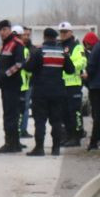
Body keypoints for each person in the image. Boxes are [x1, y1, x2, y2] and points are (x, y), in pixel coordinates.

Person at [22, 27, 73, 156]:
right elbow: (70, 70)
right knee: (56, 121)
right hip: (58, 92)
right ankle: (56, 149)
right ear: (55, 38)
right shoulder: (62, 52)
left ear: (44, 37)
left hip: (41, 92)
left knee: (40, 121)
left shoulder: (38, 51)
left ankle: (39, 148)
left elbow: (27, 67)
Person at [0, 20, 26, 153]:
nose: (2, 32)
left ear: (10, 30)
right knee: (9, 114)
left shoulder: (16, 44)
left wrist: (4, 75)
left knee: (11, 115)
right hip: (6, 85)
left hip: (12, 85)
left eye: (5, 29)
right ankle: (14, 143)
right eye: (0, 30)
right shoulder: (6, 44)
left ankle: (11, 143)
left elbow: (19, 64)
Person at [57, 21, 86, 146]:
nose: (63, 34)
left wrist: (70, 67)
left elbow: (83, 62)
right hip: (61, 84)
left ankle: (76, 136)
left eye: (65, 32)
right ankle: (68, 135)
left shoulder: (77, 46)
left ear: (71, 32)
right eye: (61, 32)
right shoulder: (58, 46)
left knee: (75, 112)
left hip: (73, 84)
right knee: (64, 112)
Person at [18, 26, 33, 140]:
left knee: (26, 107)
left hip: (28, 83)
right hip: (18, 83)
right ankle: (18, 130)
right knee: (19, 109)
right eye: (25, 34)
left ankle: (23, 129)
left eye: (28, 35)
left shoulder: (31, 49)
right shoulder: (18, 48)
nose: (27, 37)